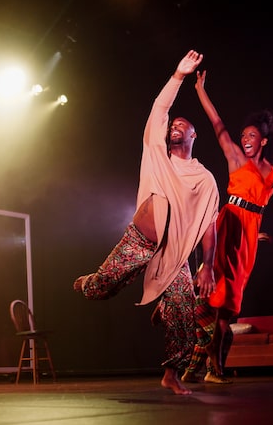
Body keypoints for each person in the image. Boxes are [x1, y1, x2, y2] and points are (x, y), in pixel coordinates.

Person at [73, 50, 219, 395]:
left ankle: (171, 373)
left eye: (183, 126)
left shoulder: (204, 178)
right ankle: (88, 282)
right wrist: (179, 76)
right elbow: (159, 109)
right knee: (100, 291)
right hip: (139, 241)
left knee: (186, 311)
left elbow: (208, 224)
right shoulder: (156, 155)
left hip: (172, 254)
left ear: (194, 136)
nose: (174, 127)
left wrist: (208, 266)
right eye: (173, 125)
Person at [181, 70, 273, 384]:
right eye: (244, 136)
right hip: (229, 224)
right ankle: (212, 365)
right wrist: (200, 90)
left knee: (230, 306)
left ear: (263, 141)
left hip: (249, 233)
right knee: (218, 295)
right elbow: (217, 124)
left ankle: (209, 366)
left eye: (251, 136)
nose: (245, 140)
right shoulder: (236, 158)